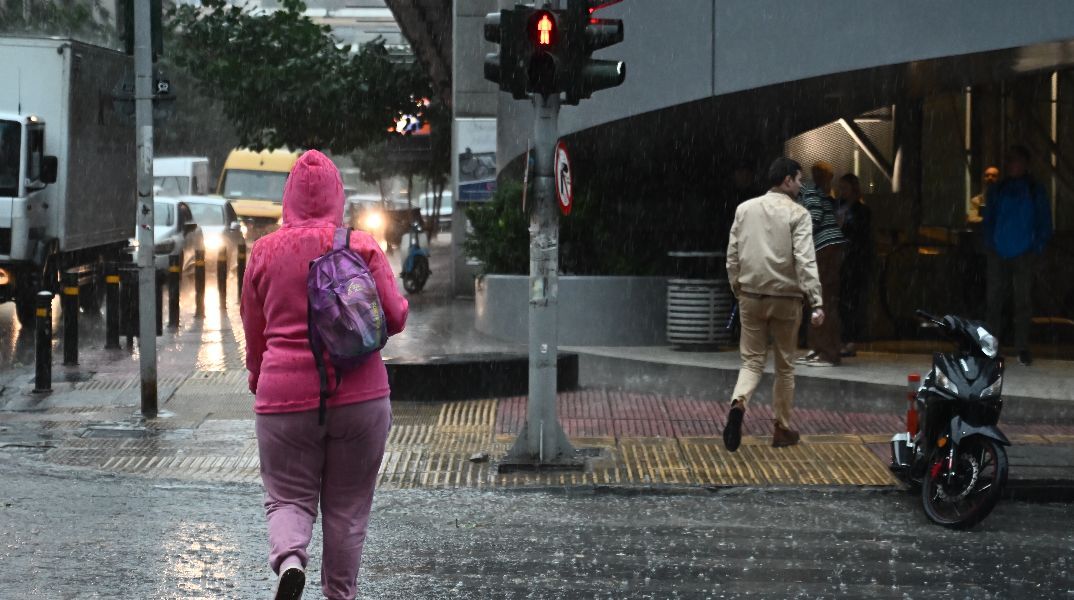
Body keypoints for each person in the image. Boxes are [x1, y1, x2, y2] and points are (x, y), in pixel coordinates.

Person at [241, 150, 409, 600]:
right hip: (361, 398)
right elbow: (394, 316)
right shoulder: (361, 245)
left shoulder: (263, 252)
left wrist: (259, 379)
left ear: (287, 197)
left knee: (287, 499)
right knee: (348, 510)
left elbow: (254, 333)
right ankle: (339, 595)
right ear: (339, 195)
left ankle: (291, 561)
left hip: (284, 401)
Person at [723, 157, 824, 451]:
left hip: (750, 296)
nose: (801, 184)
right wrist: (816, 301)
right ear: (788, 180)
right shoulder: (799, 214)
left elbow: (733, 254)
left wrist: (738, 287)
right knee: (785, 367)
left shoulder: (745, 209)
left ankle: (738, 404)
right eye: (798, 179)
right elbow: (805, 259)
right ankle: (781, 428)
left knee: (752, 361)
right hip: (786, 300)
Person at [982, 145, 1052, 366]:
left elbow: (1044, 220)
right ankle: (991, 347)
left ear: (1025, 165)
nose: (1014, 166)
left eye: (1017, 162)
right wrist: (990, 243)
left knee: (1021, 301)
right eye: (1011, 162)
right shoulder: (1000, 189)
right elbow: (990, 219)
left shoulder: (1033, 189)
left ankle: (1021, 346)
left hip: (1022, 251)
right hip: (1001, 249)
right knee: (995, 300)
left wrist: (1037, 246)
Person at [795, 161, 846, 367]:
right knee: (817, 299)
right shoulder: (813, 191)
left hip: (825, 248)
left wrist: (798, 239)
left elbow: (814, 216)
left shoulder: (807, 189)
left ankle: (828, 353)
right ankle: (818, 348)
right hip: (825, 247)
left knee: (822, 298)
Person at [835, 174, 873, 357]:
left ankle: (851, 340)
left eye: (845, 188)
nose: (842, 192)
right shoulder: (839, 207)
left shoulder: (861, 211)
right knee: (842, 301)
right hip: (841, 261)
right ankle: (843, 338)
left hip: (854, 261)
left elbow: (863, 239)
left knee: (853, 302)